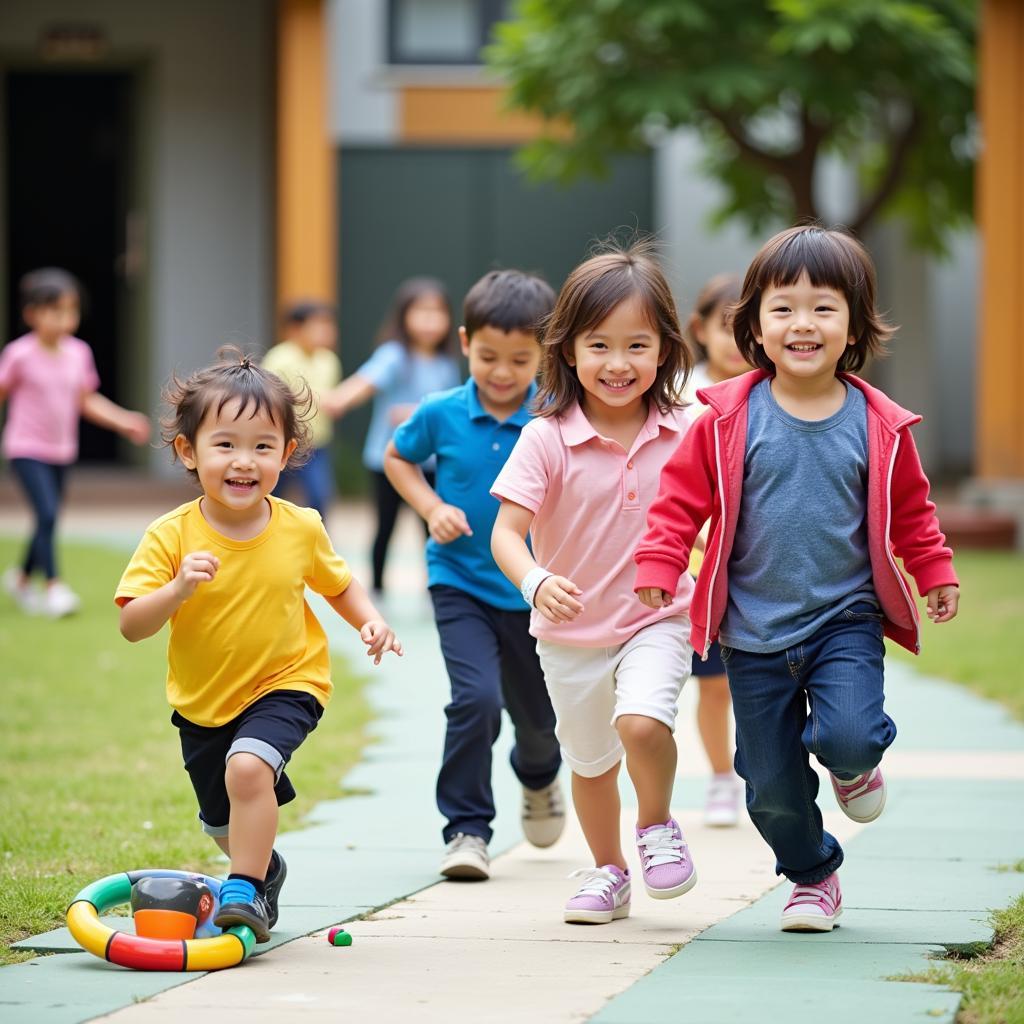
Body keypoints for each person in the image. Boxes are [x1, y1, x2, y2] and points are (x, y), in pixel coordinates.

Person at [635, 225, 960, 933]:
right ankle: (813, 874)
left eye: (824, 307)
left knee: (848, 732)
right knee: (771, 789)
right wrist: (661, 565)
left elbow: (912, 510)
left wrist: (933, 570)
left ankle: (854, 763)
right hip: (751, 632)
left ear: (855, 326)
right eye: (783, 308)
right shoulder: (723, 418)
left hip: (844, 618)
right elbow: (679, 504)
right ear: (752, 324)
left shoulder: (879, 424)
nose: (803, 324)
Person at [115, 349, 401, 943]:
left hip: (288, 681)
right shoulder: (170, 536)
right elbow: (133, 625)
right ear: (188, 452)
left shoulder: (300, 526)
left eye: (262, 446)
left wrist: (369, 622)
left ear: (286, 454)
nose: (244, 461)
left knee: (248, 769)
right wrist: (177, 589)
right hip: (202, 701)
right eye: (225, 445)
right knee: (224, 822)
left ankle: (242, 886)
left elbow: (339, 584)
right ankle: (263, 872)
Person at [491, 242, 697, 925]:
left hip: (657, 617)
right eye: (599, 345)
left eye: (637, 345)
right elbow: (506, 534)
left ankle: (658, 824)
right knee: (589, 764)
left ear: (665, 349)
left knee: (642, 724)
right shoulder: (546, 437)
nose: (617, 364)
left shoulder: (685, 429)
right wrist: (535, 579)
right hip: (569, 633)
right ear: (568, 350)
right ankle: (608, 870)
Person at [383, 269, 564, 881]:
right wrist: (431, 506)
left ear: (545, 350)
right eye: (489, 356)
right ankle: (466, 828)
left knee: (539, 722)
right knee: (476, 701)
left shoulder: (555, 412)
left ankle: (539, 779)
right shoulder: (440, 413)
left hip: (537, 589)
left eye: (520, 358)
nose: (503, 372)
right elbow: (397, 457)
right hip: (458, 580)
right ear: (464, 342)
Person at [0, 267, 151, 617]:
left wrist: (124, 421)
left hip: (61, 450)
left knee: (46, 518)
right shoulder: (19, 355)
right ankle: (54, 588)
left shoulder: (78, 353)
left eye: (71, 311)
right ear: (32, 314)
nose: (65, 319)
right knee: (48, 513)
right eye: (55, 311)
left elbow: (87, 400)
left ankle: (21, 578)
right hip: (25, 448)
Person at [321, 279, 460, 595]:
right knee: (385, 526)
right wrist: (339, 399)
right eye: (420, 312)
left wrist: (416, 412)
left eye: (436, 312)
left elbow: (449, 404)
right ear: (404, 316)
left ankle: (437, 587)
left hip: (431, 461)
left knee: (432, 527)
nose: (429, 321)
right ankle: (378, 590)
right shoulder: (395, 354)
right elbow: (366, 381)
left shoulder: (445, 362)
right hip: (388, 461)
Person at [681, 274, 747, 827]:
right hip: (696, 571)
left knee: (748, 682)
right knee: (712, 684)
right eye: (721, 328)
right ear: (699, 330)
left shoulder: (771, 390)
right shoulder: (682, 396)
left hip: (752, 568)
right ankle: (722, 775)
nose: (731, 341)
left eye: (740, 328)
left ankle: (758, 767)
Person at [262, 300, 342, 522]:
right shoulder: (278, 358)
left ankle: (317, 546)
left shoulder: (329, 360)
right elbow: (270, 398)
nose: (327, 331)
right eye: (318, 325)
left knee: (319, 497)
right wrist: (319, 398)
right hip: (281, 441)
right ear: (296, 329)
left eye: (329, 325)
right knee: (267, 496)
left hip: (316, 445)